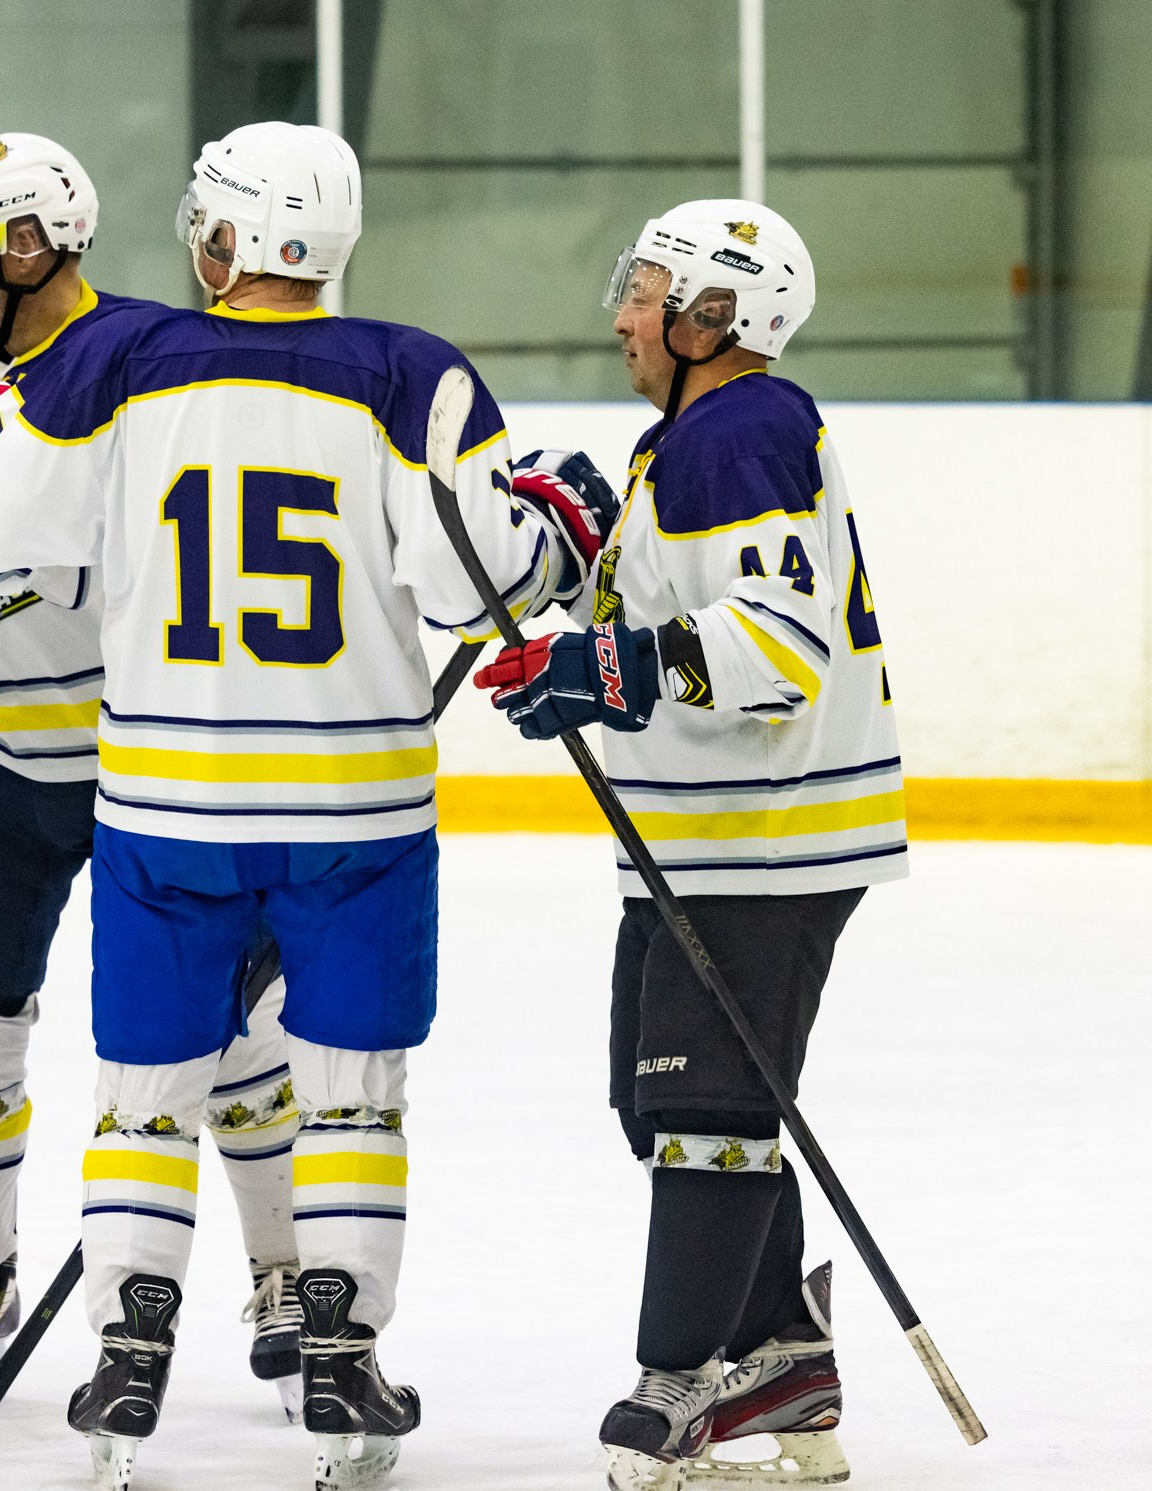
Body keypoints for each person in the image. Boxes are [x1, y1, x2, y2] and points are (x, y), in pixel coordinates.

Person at [0, 122, 610, 1489]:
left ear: (228, 240)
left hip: (169, 797)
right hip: (355, 803)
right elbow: (482, 587)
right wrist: (551, 529)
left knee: (147, 1086)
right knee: (350, 1085)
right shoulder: (415, 373)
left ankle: (127, 1342)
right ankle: (341, 1350)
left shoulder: (116, 360)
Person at [0, 132, 310, 1416]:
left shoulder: (150, 351)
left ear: (29, 245)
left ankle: (286, 1273)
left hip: (146, 755)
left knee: (226, 1026)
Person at [471, 200, 903, 1491]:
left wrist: (601, 668)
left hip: (766, 836)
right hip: (713, 838)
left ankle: (677, 1382)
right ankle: (777, 1344)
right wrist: (585, 565)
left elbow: (777, 646)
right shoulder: (699, 439)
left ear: (715, 317)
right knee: (655, 1096)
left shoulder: (744, 429)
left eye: (648, 291)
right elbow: (682, 609)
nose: (623, 313)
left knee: (706, 1106)